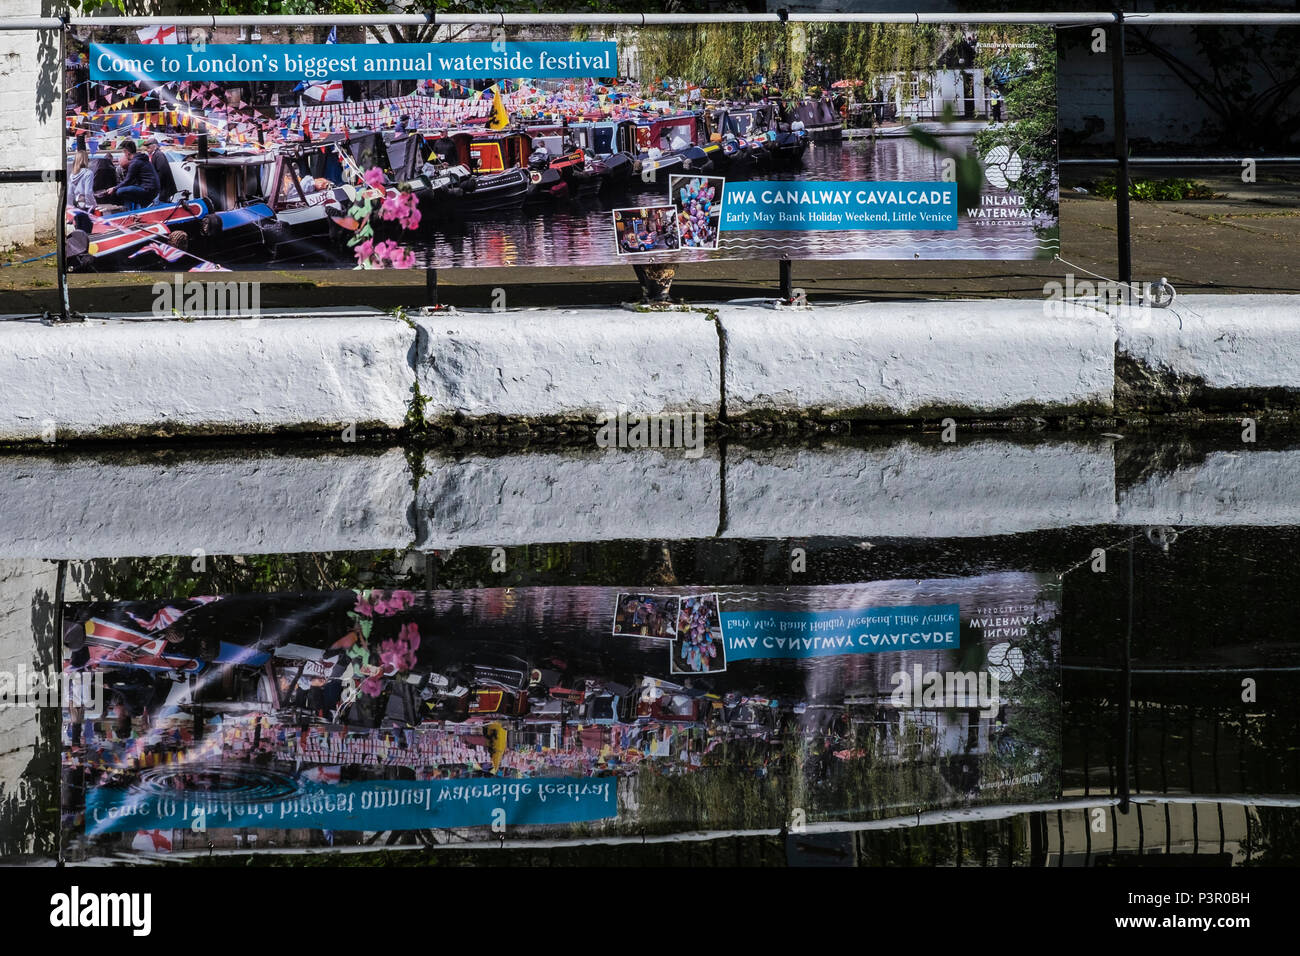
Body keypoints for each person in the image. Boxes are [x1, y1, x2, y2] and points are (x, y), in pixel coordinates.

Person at [106, 139, 158, 209]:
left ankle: (132, 209)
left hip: (148, 189)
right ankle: (142, 204)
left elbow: (128, 180)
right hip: (154, 189)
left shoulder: (135, 162)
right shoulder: (142, 159)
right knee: (125, 190)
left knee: (120, 191)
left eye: (124, 153)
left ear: (127, 152)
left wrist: (114, 188)